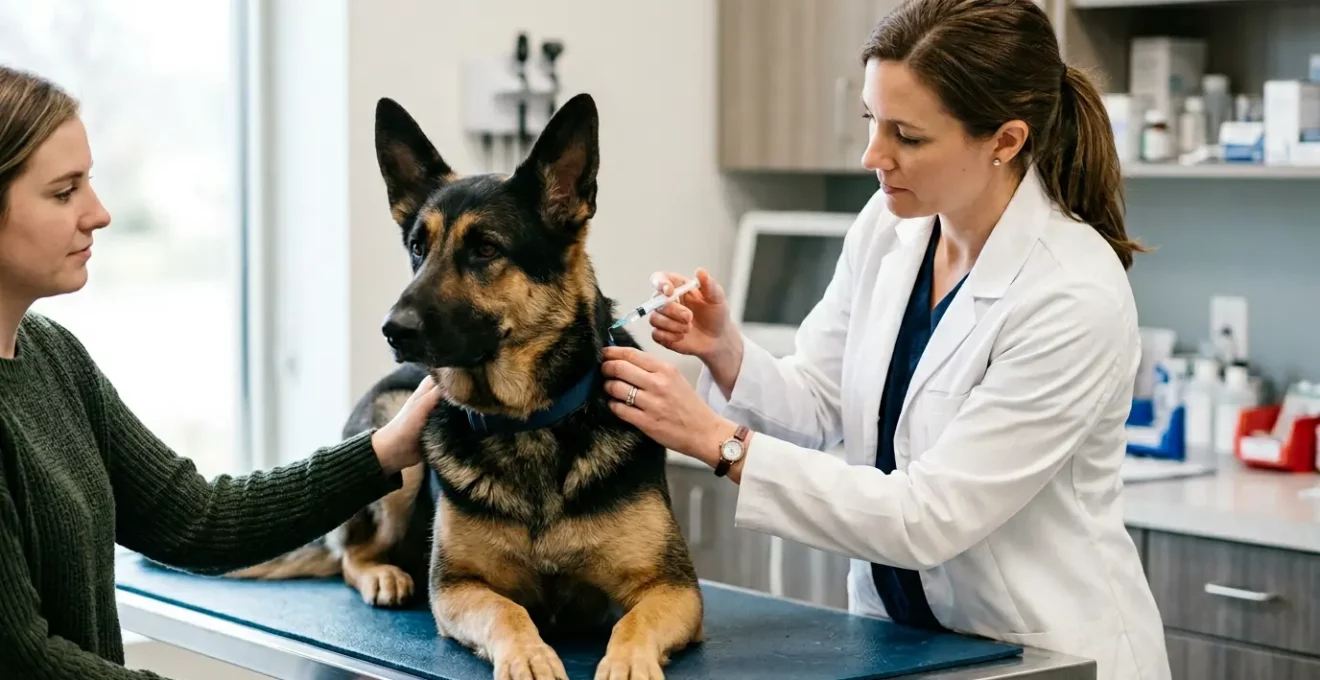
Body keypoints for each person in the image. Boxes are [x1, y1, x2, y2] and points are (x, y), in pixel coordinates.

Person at [600, 0, 1171, 678]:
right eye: (872, 120)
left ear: (1005, 141)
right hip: (903, 645)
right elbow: (820, 400)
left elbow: (926, 519)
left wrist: (716, 442)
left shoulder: (1070, 293)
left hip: (1040, 653)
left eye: (908, 135)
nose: (875, 155)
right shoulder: (890, 226)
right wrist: (726, 350)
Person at [0, 66, 442, 678]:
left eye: (89, 183)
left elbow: (198, 520)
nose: (98, 214)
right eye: (63, 191)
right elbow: (25, 661)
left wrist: (385, 451)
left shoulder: (53, 358)